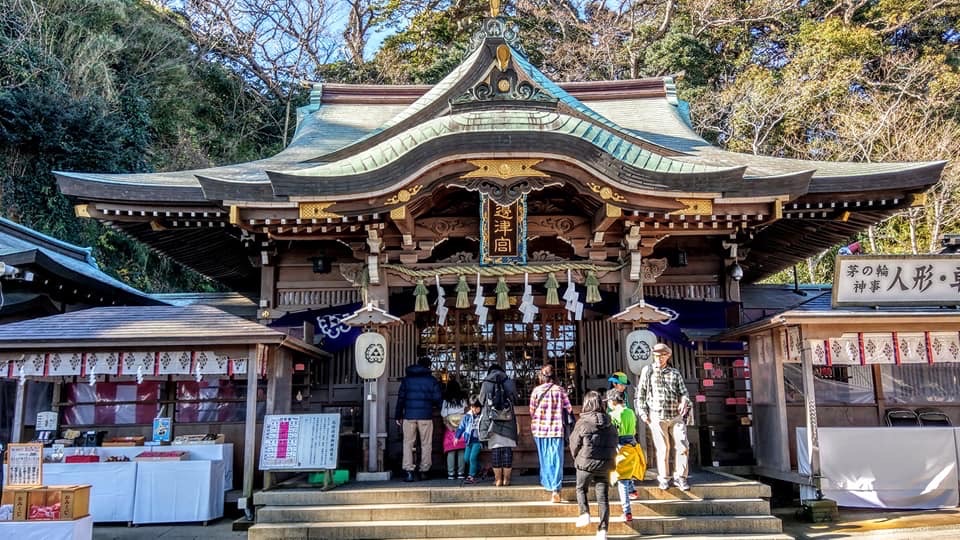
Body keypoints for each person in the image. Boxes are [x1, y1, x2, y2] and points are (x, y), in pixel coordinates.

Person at [636, 342, 692, 491]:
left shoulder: (675, 373)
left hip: (675, 415)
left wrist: (684, 401)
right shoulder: (648, 371)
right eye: (656, 355)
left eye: (662, 355)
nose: (659, 358)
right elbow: (641, 393)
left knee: (682, 445)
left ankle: (681, 477)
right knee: (663, 448)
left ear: (668, 356)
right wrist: (643, 412)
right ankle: (664, 478)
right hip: (656, 414)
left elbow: (684, 392)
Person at [569, 390, 618, 540]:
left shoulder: (582, 422)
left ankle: (584, 513)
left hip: (586, 464)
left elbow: (574, 443)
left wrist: (577, 458)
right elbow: (614, 443)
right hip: (606, 464)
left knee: (581, 489)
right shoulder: (610, 423)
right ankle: (603, 530)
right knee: (603, 498)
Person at [529, 364, 573, 503]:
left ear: (541, 377)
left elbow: (532, 411)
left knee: (544, 458)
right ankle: (555, 488)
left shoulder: (536, 391)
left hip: (539, 429)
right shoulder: (560, 390)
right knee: (556, 459)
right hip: (556, 429)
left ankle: (547, 483)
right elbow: (569, 408)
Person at [395, 356, 442, 482]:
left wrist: (398, 415)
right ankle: (424, 471)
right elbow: (438, 399)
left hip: (409, 416)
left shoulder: (407, 380)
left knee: (408, 443)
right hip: (425, 415)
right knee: (426, 444)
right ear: (428, 366)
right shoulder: (431, 380)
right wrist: (442, 409)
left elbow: (401, 398)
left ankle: (409, 472)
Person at [478, 363, 518, 487]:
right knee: (507, 448)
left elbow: (481, 400)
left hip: (492, 420)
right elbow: (515, 399)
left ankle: (498, 480)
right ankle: (506, 479)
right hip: (508, 418)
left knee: (496, 449)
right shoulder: (508, 381)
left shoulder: (486, 382)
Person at [606, 388, 638, 523]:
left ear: (613, 401)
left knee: (622, 480)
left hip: (620, 447)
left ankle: (627, 511)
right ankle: (633, 490)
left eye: (608, 401)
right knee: (628, 471)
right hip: (632, 445)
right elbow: (634, 429)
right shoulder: (630, 412)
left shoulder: (612, 415)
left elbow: (612, 433)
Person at [441, 379, 467, 480]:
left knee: (451, 450)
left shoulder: (446, 401)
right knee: (461, 450)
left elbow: (443, 415)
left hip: (450, 427)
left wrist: (450, 427)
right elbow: (466, 413)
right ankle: (461, 473)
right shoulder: (462, 400)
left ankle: (451, 473)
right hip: (461, 427)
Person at [454, 396, 484, 484]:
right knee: (466, 458)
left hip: (478, 441)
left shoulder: (482, 416)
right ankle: (480, 469)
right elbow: (461, 427)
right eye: (472, 407)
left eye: (476, 408)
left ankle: (471, 476)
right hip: (469, 441)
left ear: (480, 407)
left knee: (472, 458)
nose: (474, 409)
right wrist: (457, 437)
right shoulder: (467, 416)